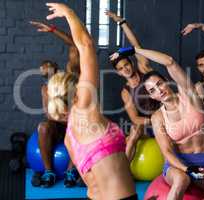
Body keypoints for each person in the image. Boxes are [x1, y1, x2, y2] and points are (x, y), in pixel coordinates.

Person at [46, 3, 136, 199]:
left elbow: (107, 166)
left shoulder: (69, 137)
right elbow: (85, 44)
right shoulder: (86, 105)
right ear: (77, 89)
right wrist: (69, 13)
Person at [132, 47, 204, 200]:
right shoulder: (158, 117)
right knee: (182, 179)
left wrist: (135, 50)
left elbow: (170, 62)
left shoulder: (190, 96)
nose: (159, 90)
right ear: (152, 96)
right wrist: (187, 169)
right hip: (177, 164)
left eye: (159, 84)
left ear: (166, 82)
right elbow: (167, 151)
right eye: (153, 90)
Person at [29, 22, 81, 188]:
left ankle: (71, 171)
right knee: (43, 126)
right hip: (60, 126)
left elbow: (73, 45)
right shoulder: (45, 89)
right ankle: (49, 171)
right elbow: (49, 114)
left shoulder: (69, 77)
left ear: (57, 69)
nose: (47, 73)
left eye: (50, 69)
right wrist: (63, 118)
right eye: (44, 72)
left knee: (76, 123)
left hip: (76, 125)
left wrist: (52, 30)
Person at [107, 10, 159, 161]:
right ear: (119, 73)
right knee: (133, 131)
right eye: (121, 69)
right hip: (149, 124)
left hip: (166, 120)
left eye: (126, 65)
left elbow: (137, 46)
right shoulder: (125, 92)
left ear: (132, 63)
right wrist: (152, 121)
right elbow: (135, 118)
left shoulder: (144, 70)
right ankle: (125, 172)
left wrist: (121, 22)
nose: (125, 69)